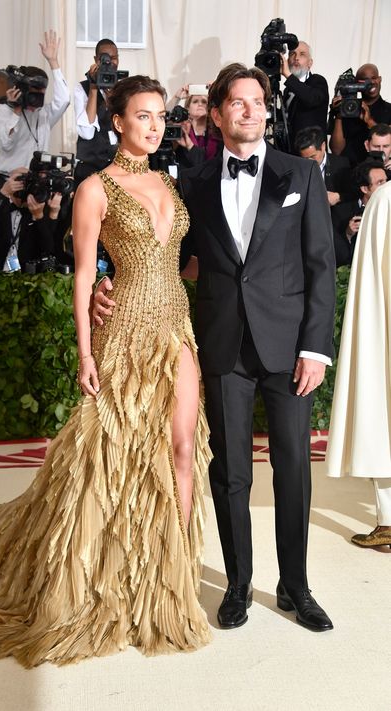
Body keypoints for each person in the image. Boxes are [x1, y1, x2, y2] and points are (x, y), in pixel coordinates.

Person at [0, 75, 211, 668]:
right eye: (143, 115)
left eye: (160, 115)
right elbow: (83, 276)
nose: (155, 125)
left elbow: (188, 262)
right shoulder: (96, 189)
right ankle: (107, 578)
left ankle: (169, 580)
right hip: (124, 326)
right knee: (115, 455)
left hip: (177, 325)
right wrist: (84, 352)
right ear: (118, 122)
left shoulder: (171, 184)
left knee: (183, 448)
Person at [95, 63, 336, 631]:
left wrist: (316, 349)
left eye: (258, 101)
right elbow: (161, 253)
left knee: (294, 469)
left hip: (288, 349)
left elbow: (320, 268)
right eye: (238, 102)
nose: (249, 111)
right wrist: (110, 278)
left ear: (266, 110)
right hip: (221, 343)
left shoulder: (300, 176)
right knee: (228, 473)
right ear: (220, 112)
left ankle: (295, 585)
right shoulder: (193, 183)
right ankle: (236, 585)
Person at [326, 180, 391, 549]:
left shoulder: (384, 199)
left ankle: (388, 521)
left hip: (385, 328)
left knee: (382, 410)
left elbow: (371, 279)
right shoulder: (384, 199)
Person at [0, 30, 70, 193]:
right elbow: (5, 144)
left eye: (41, 94)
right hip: (8, 182)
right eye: (33, 93)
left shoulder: (43, 115)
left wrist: (53, 62)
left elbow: (64, 99)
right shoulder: (5, 111)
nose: (37, 100)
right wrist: (17, 110)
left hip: (34, 183)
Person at [0, 168, 63, 272]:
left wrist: (39, 216)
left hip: (26, 276)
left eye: (27, 180)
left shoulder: (39, 207)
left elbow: (49, 248)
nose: (23, 184)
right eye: (19, 179)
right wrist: (3, 193)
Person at [73, 39, 120, 180]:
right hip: (90, 169)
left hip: (117, 166)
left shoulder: (123, 88)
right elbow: (87, 133)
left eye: (114, 58)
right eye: (104, 58)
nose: (109, 62)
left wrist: (112, 93)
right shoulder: (82, 88)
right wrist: (94, 87)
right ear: (96, 60)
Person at [329, 63, 391, 166]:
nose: (370, 82)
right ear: (356, 83)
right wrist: (339, 115)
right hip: (348, 172)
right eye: (365, 80)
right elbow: (336, 151)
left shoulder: (389, 110)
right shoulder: (346, 108)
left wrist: (369, 121)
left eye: (374, 78)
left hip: (378, 172)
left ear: (379, 79)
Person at [332, 158, 387, 267]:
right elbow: (339, 258)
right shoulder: (340, 213)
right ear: (365, 189)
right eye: (380, 183)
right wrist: (348, 234)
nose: (386, 187)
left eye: (386, 181)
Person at [281, 41, 329, 149]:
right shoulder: (287, 90)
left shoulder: (318, 81)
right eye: (292, 54)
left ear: (310, 63)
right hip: (290, 152)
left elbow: (311, 98)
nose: (296, 58)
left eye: (302, 54)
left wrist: (288, 75)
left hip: (311, 152)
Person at [294, 125, 354, 207]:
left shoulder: (341, 164)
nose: (309, 161)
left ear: (323, 146)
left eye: (312, 156)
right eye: (305, 158)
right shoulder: (296, 167)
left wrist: (338, 197)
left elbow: (353, 193)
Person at [175, 90, 223, 169]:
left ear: (210, 108)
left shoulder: (218, 131)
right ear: (187, 108)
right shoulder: (181, 129)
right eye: (195, 101)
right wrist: (177, 98)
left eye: (204, 102)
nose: (200, 104)